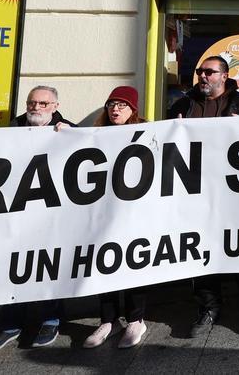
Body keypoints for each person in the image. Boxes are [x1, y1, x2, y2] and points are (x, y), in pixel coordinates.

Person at [169, 56, 239, 336]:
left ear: (224, 76)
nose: (203, 76)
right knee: (201, 249)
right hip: (196, 191)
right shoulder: (183, 105)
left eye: (209, 72)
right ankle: (208, 307)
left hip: (233, 193)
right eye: (200, 71)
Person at [0, 86, 75, 355]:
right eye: (32, 102)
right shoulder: (11, 130)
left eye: (43, 103)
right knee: (14, 267)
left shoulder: (68, 129)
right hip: (17, 213)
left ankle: (50, 320)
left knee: (49, 266)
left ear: (55, 106)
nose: (36, 108)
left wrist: (73, 135)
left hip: (51, 214)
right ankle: (10, 325)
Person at [76, 86, 150, 349]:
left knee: (133, 263)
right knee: (103, 263)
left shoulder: (147, 132)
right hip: (102, 212)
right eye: (111, 105)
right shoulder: (95, 136)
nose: (115, 109)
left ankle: (136, 319)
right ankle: (107, 320)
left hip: (133, 212)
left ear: (133, 109)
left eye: (121, 105)